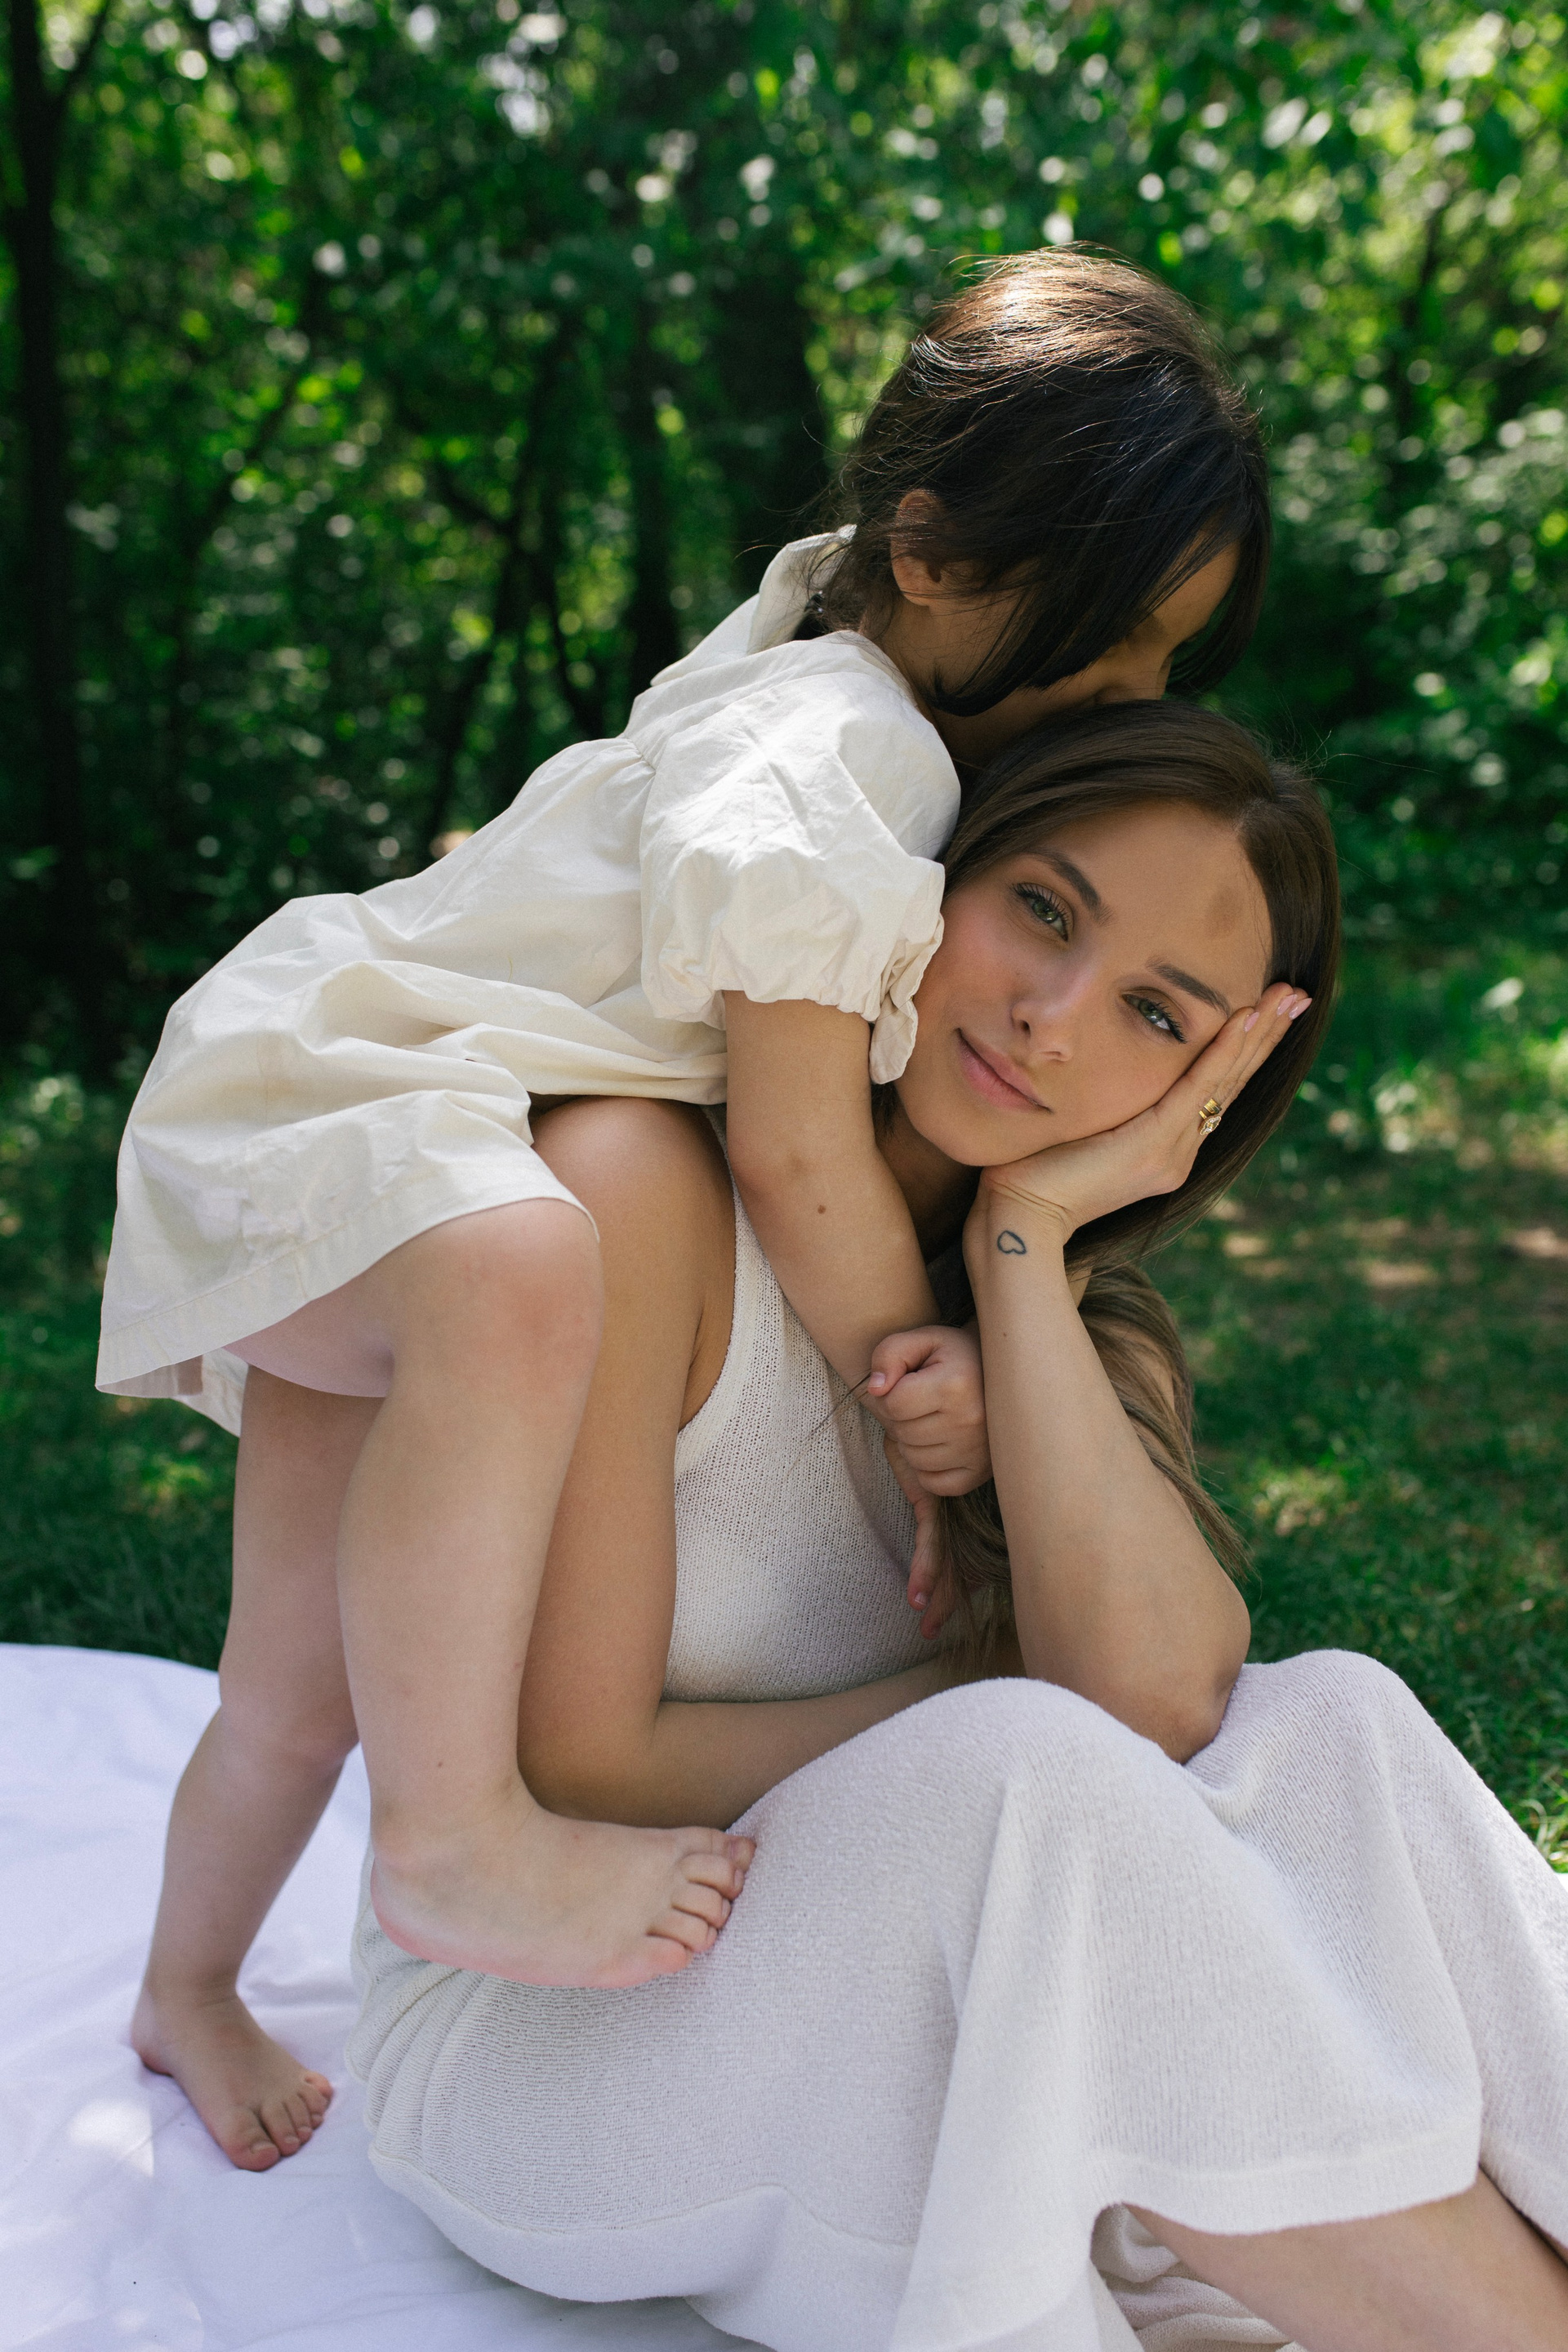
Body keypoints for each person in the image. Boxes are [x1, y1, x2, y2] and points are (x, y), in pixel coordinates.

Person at [106, 247, 1272, 2169]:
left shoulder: (809, 651)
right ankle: (454, 1839)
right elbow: (798, 1157)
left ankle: (185, 1986)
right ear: (933, 556)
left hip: (358, 1124)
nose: (1128, 700)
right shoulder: (849, 755)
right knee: (522, 1258)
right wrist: (918, 1384)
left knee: (290, 1685)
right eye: (1112, 644)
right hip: (353, 1128)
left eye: (1167, 663)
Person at [350, 704, 1568, 2352]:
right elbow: (580, 1764)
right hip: (550, 2047)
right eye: (1044, 911)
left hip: (913, 2017)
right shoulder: (640, 1188)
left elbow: (1168, 1695)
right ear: (933, 883)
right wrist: (981, 1710)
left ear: (1202, 1091)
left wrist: (1025, 1241)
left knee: (1335, 1718)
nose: (1051, 1017)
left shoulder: (1063, 1327)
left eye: (1153, 1012)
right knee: (1028, 1769)